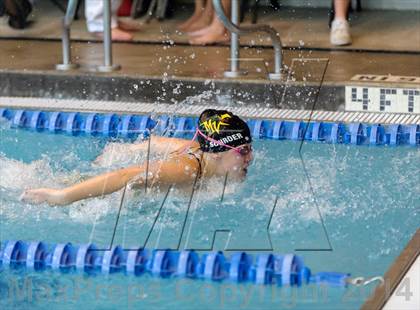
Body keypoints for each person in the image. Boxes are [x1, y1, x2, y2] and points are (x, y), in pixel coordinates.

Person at [20, 109, 254, 206]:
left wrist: (129, 150)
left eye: (249, 149)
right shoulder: (187, 170)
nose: (250, 158)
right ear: (217, 153)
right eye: (243, 151)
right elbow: (127, 175)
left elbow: (157, 142)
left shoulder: (199, 149)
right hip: (107, 196)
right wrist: (61, 197)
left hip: (101, 178)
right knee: (58, 186)